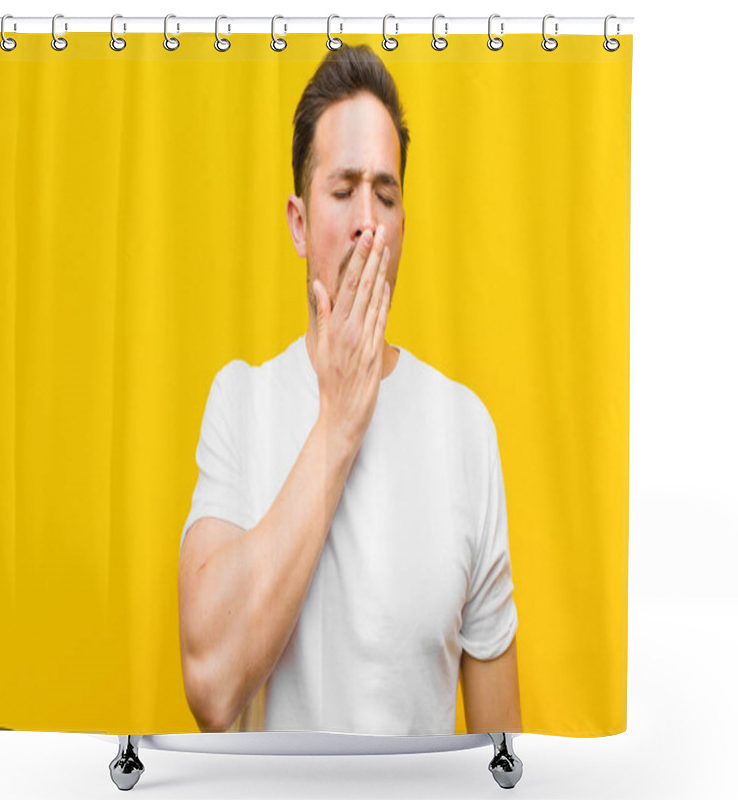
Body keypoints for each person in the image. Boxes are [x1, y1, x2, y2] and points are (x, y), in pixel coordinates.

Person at [178, 43, 521, 736]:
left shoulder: (464, 427)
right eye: (342, 191)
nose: (368, 220)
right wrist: (338, 421)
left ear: (402, 226)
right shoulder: (240, 403)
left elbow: (502, 753)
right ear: (300, 224)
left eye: (386, 195)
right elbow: (210, 687)